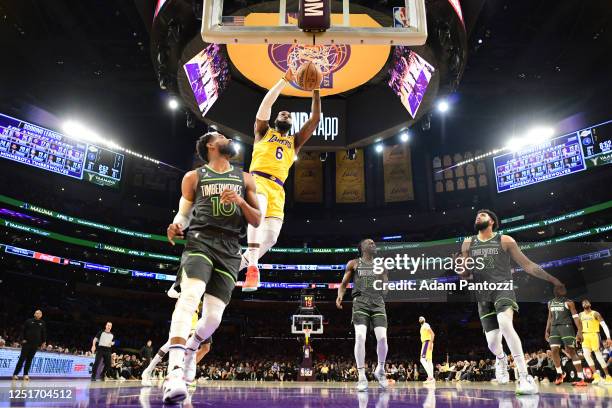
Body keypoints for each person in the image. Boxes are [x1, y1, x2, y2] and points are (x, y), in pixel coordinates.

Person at [163, 131, 261, 403]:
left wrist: (241, 201)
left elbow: (256, 221)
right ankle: (173, 374)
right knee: (190, 295)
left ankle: (192, 347)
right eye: (221, 136)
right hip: (200, 241)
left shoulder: (245, 178)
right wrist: (176, 226)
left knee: (214, 319)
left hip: (230, 248)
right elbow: (183, 215)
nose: (228, 138)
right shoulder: (193, 177)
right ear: (210, 145)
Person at [459, 209, 565, 395]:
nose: (478, 216)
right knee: (492, 342)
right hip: (483, 295)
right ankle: (500, 358)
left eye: (483, 215)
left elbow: (528, 265)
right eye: (476, 215)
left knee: (505, 323)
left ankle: (524, 377)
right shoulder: (468, 242)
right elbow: (466, 275)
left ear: (492, 221)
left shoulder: (505, 240)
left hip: (503, 288)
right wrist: (461, 269)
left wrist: (553, 279)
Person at [241, 68, 321, 291]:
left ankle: (233, 267)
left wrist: (316, 89)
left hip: (278, 189)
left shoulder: (294, 141)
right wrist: (284, 81)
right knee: (259, 212)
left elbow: (315, 119)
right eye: (282, 114)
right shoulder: (263, 131)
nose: (286, 115)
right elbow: (265, 106)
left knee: (271, 238)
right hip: (258, 181)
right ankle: (253, 269)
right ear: (275, 120)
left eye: (289, 115)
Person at [336, 239, 389, 391]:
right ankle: (361, 376)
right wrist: (340, 295)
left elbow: (385, 282)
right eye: (370, 243)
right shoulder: (353, 263)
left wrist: (384, 289)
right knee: (360, 337)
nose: (374, 244)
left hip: (377, 302)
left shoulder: (381, 265)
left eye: (374, 243)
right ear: (362, 247)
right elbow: (344, 283)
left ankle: (380, 369)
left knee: (383, 337)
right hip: (360, 302)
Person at [141, 301, 212, 386]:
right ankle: (179, 373)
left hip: (199, 318)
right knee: (171, 344)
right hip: (185, 316)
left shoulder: (200, 297)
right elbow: (171, 293)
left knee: (204, 347)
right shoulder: (186, 296)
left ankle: (149, 372)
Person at [544, 285, 586, 386]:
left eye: (560, 289)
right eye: (556, 289)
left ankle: (581, 378)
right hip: (554, 328)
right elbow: (550, 318)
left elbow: (576, 318)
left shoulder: (569, 302)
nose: (557, 291)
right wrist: (546, 330)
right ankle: (560, 373)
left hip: (566, 327)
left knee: (571, 351)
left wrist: (580, 331)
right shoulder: (550, 302)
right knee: (553, 350)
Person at [579, 299, 612, 384]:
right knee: (586, 355)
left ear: (590, 304)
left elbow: (604, 326)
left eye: (587, 302)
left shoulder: (595, 313)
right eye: (583, 302)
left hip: (594, 335)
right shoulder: (580, 315)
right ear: (582, 305)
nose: (585, 303)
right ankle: (596, 376)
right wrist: (577, 336)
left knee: (598, 355)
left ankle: (608, 376)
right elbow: (579, 327)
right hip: (584, 336)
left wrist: (608, 337)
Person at [12, 310, 46, 381]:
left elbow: (43, 333)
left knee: (29, 359)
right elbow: (23, 330)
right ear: (34, 314)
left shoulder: (42, 323)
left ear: (41, 315)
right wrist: (23, 339)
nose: (38, 314)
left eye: (40, 313)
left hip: (35, 344)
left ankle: (25, 374)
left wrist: (43, 342)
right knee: (22, 359)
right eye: (37, 313)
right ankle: (15, 374)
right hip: (27, 343)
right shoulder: (29, 321)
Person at [419, 316, 435, 384]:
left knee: (422, 359)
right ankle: (431, 378)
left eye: (422, 318)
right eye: (419, 318)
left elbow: (432, 334)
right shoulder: (422, 327)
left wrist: (430, 343)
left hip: (427, 343)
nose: (420, 319)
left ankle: (430, 377)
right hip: (426, 343)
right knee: (429, 361)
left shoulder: (426, 325)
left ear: (424, 320)